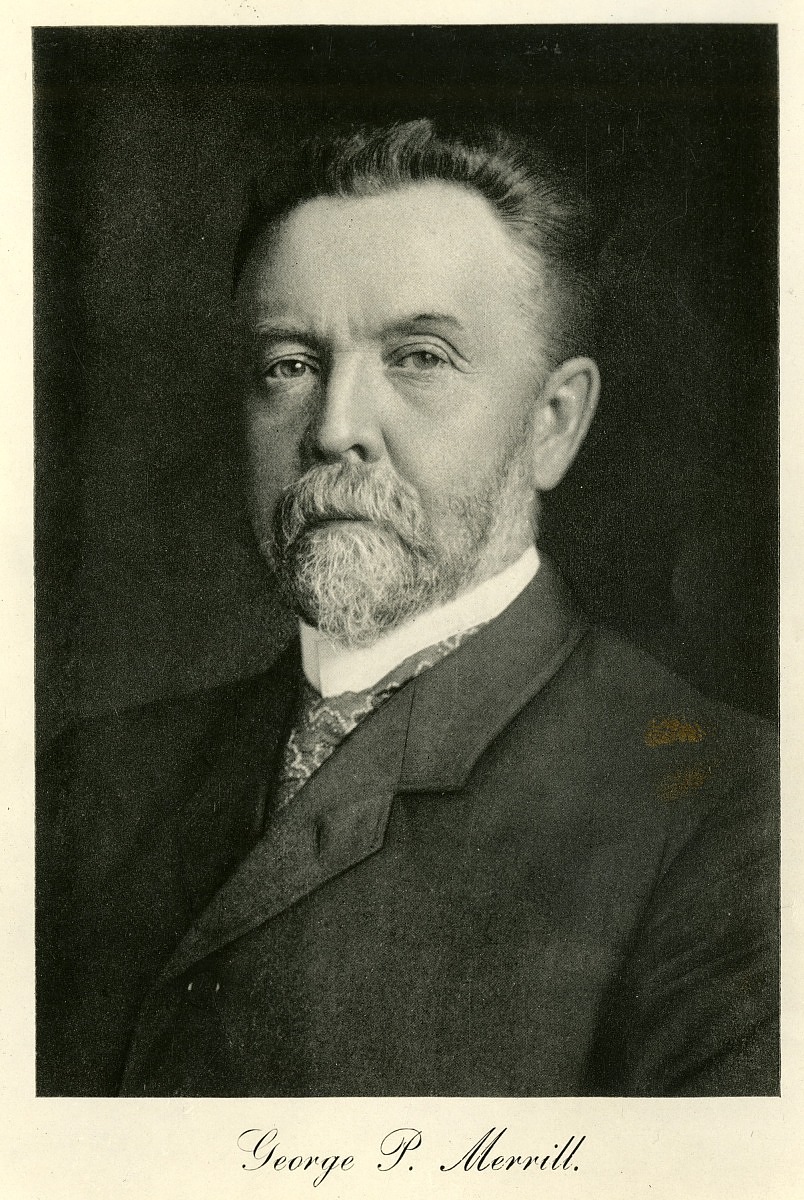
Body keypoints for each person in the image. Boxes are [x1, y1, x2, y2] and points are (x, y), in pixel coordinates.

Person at [36, 118, 778, 1097]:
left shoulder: (739, 813)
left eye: (419, 357)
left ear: (553, 424)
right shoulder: (88, 786)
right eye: (289, 365)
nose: (335, 429)